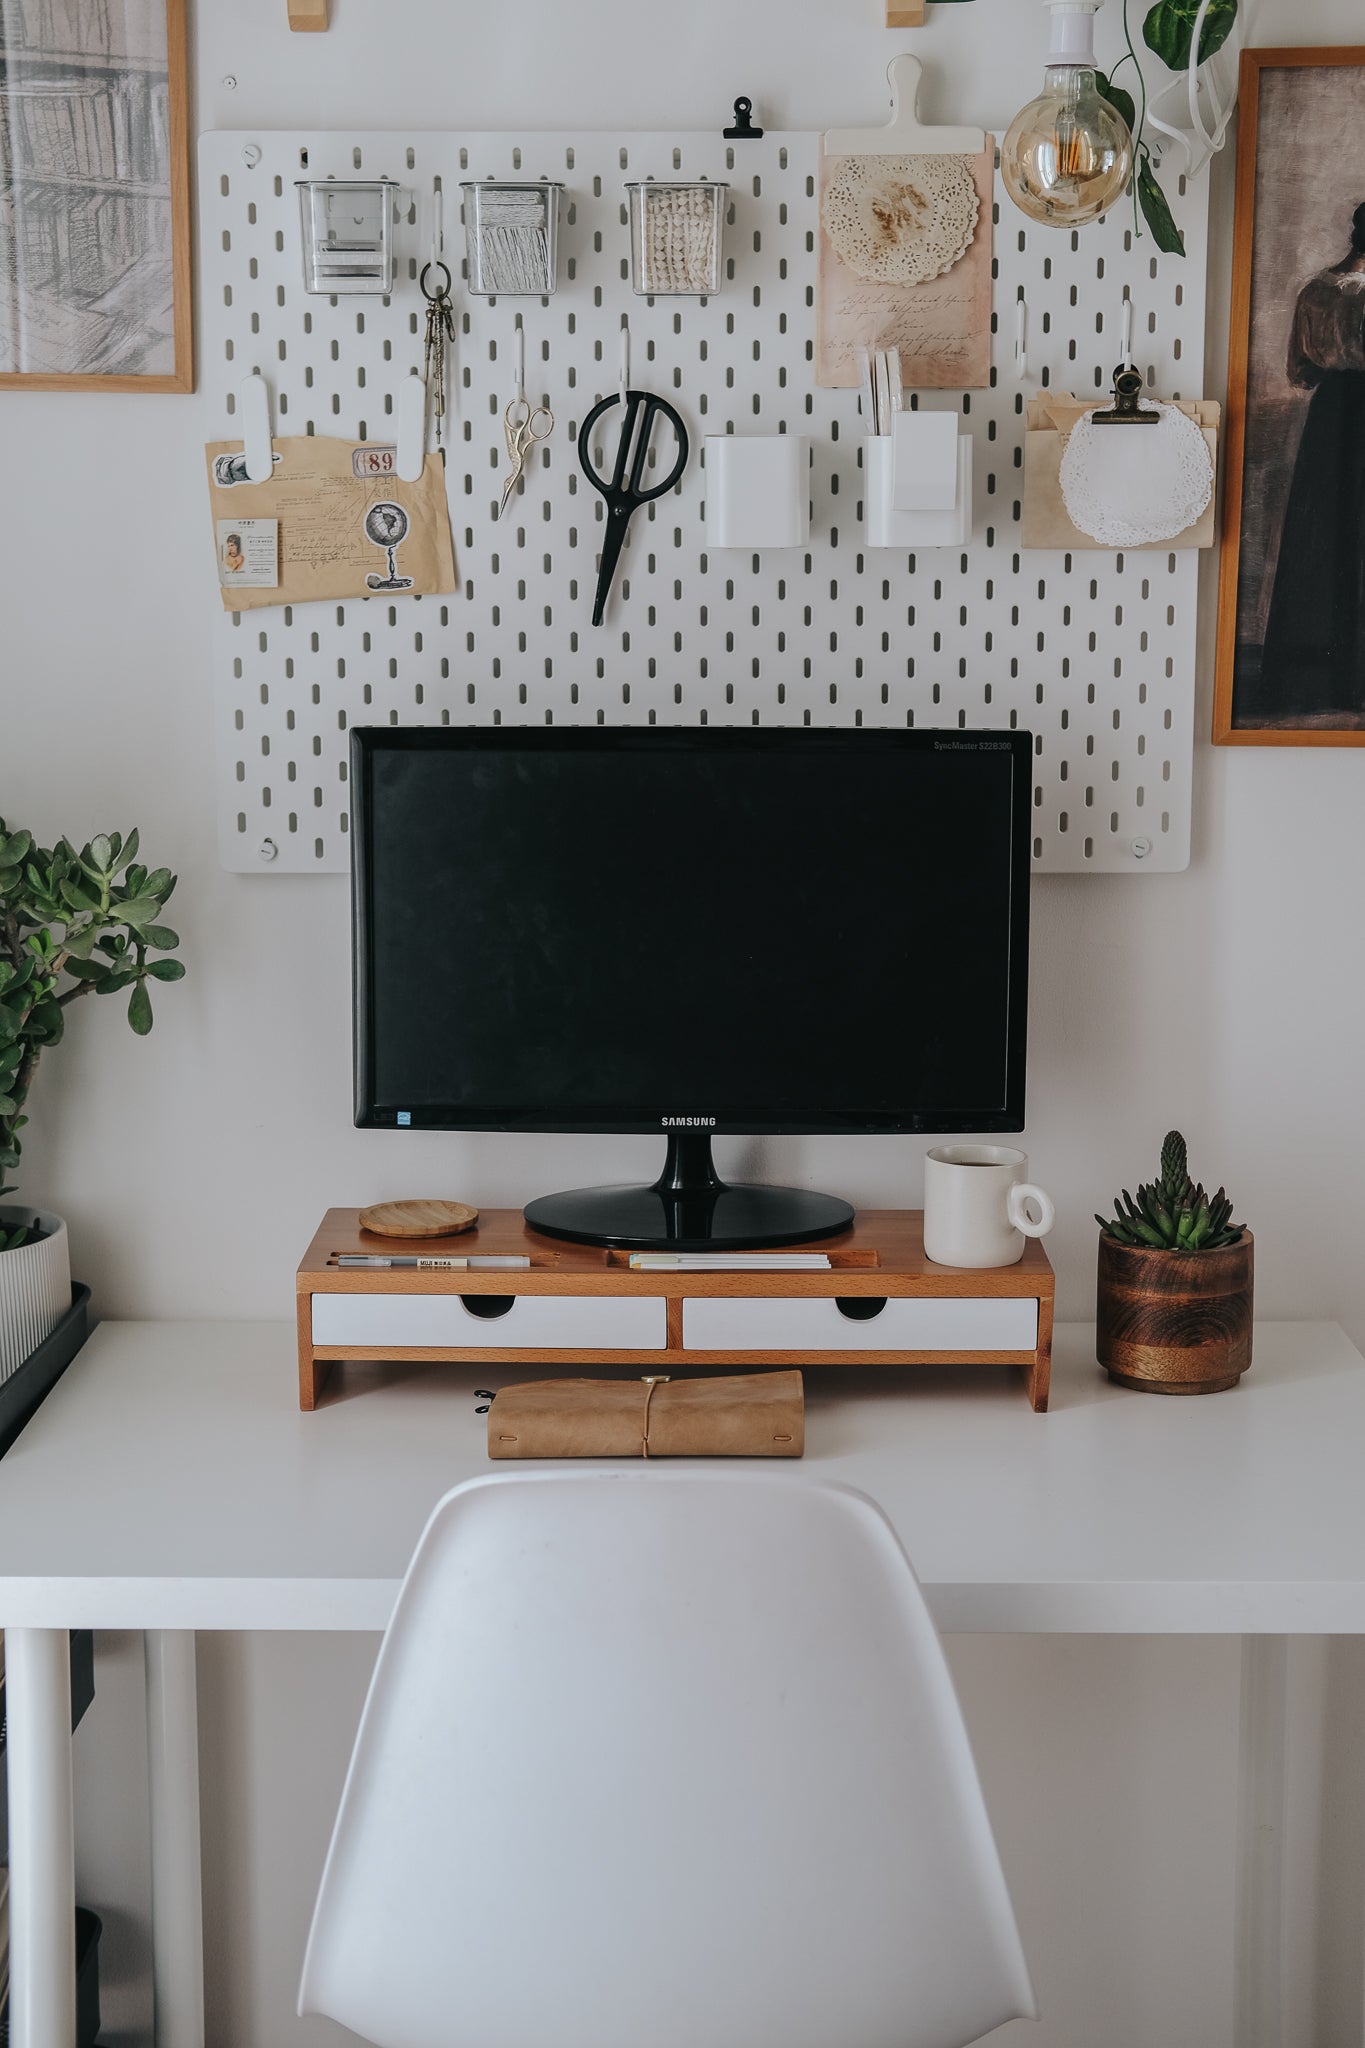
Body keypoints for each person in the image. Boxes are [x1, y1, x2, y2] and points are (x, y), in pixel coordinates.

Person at [1253, 201, 1365, 723]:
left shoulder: (1317, 291)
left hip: (1330, 420)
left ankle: (1311, 679)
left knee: (1325, 535)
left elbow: (1300, 373)